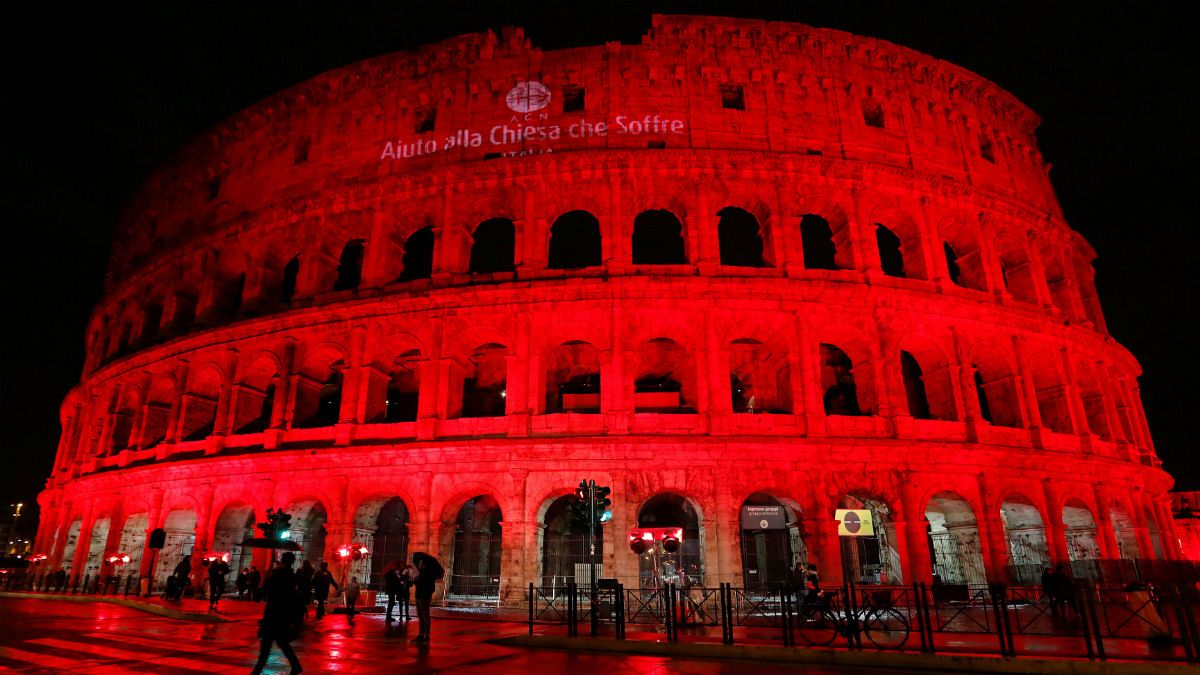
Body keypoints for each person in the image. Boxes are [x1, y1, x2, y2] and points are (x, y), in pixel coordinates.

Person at [251, 553, 302, 675]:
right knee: (283, 643)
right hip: (284, 616)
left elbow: (258, 597)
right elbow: (294, 599)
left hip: (272, 615)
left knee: (266, 648)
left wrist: (263, 579)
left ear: (282, 562)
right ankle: (296, 665)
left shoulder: (275, 577)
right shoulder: (292, 577)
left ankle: (256, 672)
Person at [412, 552, 443, 642]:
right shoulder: (420, 573)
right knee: (421, 617)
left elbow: (430, 587)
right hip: (418, 596)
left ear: (425, 564)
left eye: (421, 563)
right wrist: (415, 580)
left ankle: (427, 635)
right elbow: (418, 583)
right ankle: (421, 634)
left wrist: (418, 580)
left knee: (426, 616)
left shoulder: (429, 575)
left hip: (424, 597)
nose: (419, 564)